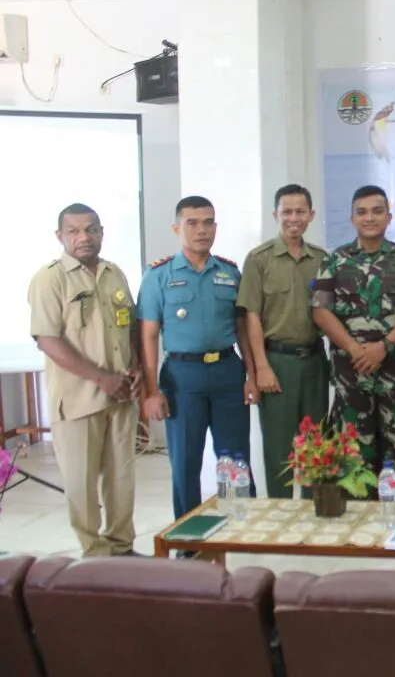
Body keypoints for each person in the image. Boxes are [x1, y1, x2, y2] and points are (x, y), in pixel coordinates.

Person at [27, 203, 140, 556]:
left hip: (122, 395)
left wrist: (136, 367)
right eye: (74, 231)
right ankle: (94, 552)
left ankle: (122, 547)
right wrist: (100, 378)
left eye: (91, 229)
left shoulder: (114, 273)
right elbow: (47, 339)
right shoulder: (50, 278)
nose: (84, 237)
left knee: (121, 477)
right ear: (59, 236)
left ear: (102, 232)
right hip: (78, 398)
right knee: (81, 482)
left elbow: (129, 327)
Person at [138, 196, 259, 521]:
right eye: (192, 223)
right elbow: (148, 336)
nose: (201, 230)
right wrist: (151, 392)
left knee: (235, 459)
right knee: (185, 462)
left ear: (215, 227)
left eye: (208, 222)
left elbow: (242, 328)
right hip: (182, 376)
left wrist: (251, 375)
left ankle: (242, 530)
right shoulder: (158, 276)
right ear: (177, 228)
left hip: (226, 371)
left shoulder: (230, 272)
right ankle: (189, 539)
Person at [311, 185, 395, 497]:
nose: (370, 218)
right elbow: (320, 311)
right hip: (352, 376)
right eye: (362, 212)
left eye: (377, 211)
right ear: (352, 219)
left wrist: (384, 347)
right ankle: (359, 526)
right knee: (353, 452)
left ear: (389, 217)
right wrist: (353, 348)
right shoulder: (335, 261)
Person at [237, 184, 329, 498]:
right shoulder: (259, 259)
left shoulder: (321, 259)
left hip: (315, 362)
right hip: (277, 362)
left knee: (316, 445)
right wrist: (260, 367)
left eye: (300, 211)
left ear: (311, 215)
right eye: (287, 212)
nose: (294, 218)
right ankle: (280, 513)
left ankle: (315, 513)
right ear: (276, 215)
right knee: (279, 448)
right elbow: (251, 317)